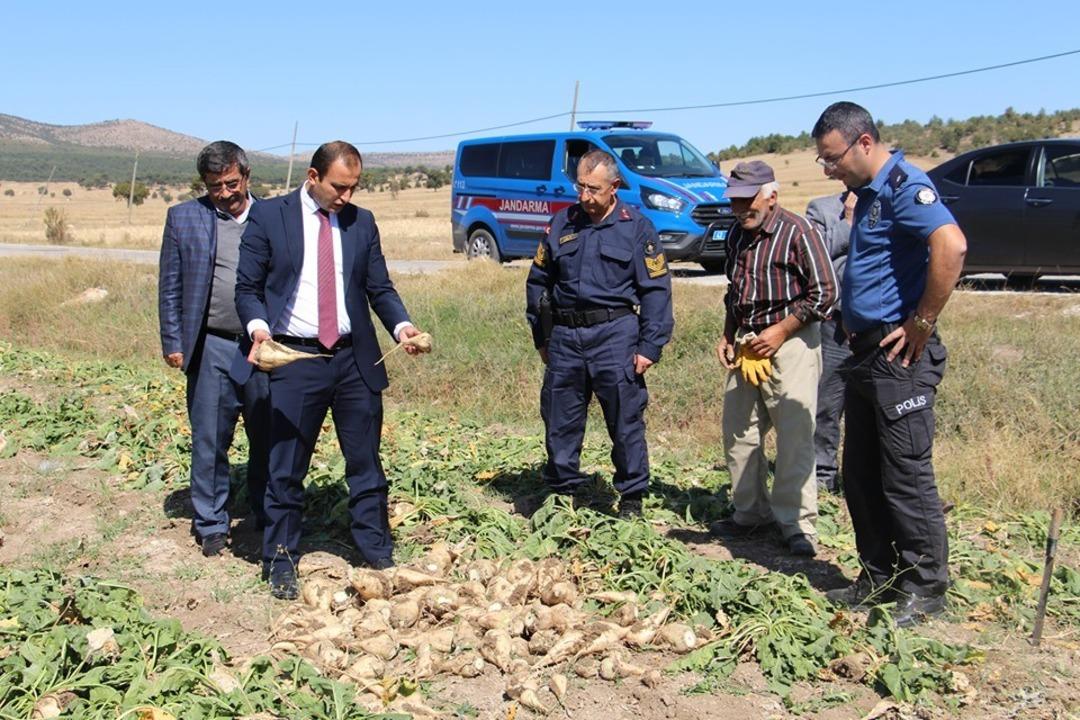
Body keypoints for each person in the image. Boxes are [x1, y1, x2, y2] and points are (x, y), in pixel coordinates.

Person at [235, 141, 426, 599]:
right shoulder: (270, 216)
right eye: (339, 187)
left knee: (365, 462)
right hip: (295, 358)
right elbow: (247, 288)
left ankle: (376, 550)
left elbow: (379, 287)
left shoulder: (362, 222)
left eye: (354, 187)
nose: (347, 196)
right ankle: (280, 558)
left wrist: (402, 326)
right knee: (286, 465)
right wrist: (259, 329)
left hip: (353, 358)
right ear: (313, 176)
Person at [811, 101, 966, 626]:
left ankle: (926, 588)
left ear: (864, 143)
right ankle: (878, 576)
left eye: (833, 158)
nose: (828, 169)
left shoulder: (906, 186)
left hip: (899, 358)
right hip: (864, 356)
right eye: (823, 161)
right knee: (860, 475)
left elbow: (951, 245)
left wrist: (923, 320)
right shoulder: (870, 194)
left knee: (906, 476)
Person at [525, 150, 673, 518]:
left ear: (615, 187)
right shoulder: (562, 223)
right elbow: (538, 282)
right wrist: (542, 337)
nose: (585, 196)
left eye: (594, 189)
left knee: (625, 421)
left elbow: (656, 291)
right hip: (565, 337)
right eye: (580, 187)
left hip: (615, 335)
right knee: (560, 419)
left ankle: (632, 497)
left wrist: (649, 346)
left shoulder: (636, 227)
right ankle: (563, 493)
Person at [711, 160, 838, 557]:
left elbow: (826, 294)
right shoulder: (737, 234)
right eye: (734, 201)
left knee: (795, 436)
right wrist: (728, 334)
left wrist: (781, 331)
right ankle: (750, 513)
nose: (740, 209)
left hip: (792, 341)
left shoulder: (799, 232)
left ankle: (796, 524)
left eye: (747, 200)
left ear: (771, 196)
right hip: (748, 341)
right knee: (739, 433)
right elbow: (735, 291)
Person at [158, 141, 269, 558]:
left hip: (265, 349)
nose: (224, 193)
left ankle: (265, 514)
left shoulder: (274, 217)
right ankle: (211, 524)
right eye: (214, 186)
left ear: (247, 176)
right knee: (209, 439)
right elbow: (170, 285)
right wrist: (173, 341)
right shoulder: (184, 218)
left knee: (269, 435)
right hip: (212, 346)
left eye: (231, 183)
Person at [805, 190, 856, 494]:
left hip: (882, 323)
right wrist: (849, 222)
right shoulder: (823, 209)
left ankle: (868, 477)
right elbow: (815, 257)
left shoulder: (893, 204)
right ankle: (822, 473)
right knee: (827, 401)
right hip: (835, 321)